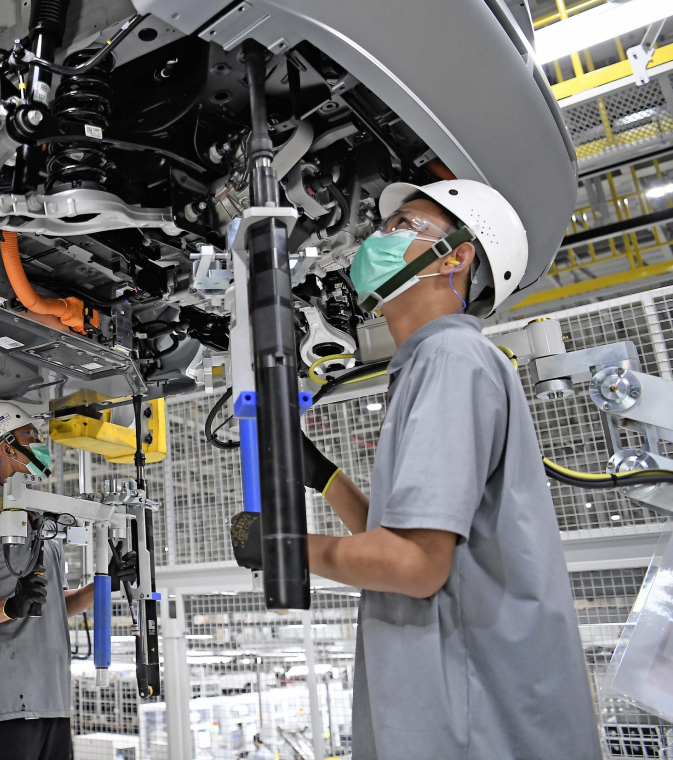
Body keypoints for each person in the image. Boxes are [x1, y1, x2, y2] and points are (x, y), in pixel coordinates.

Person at [232, 180, 599, 759]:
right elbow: (401, 539)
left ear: (456, 255)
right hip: (459, 713)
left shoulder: (452, 360)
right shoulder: (431, 361)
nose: (374, 240)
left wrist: (284, 547)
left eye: (399, 226)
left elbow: (413, 566)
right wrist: (326, 476)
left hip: (475, 727)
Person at [0, 402, 137, 760]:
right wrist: (9, 607)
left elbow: (51, 604)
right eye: (33, 436)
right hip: (2, 709)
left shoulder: (45, 524)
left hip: (54, 703)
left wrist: (104, 585)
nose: (42, 444)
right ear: (6, 448)